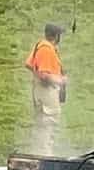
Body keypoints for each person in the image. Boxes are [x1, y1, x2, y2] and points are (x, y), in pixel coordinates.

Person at [26, 23, 67, 155]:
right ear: (55, 36)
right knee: (47, 126)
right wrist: (60, 80)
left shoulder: (40, 45)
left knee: (43, 127)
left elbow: (29, 64)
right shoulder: (47, 49)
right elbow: (44, 75)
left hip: (41, 92)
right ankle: (44, 157)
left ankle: (41, 155)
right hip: (47, 93)